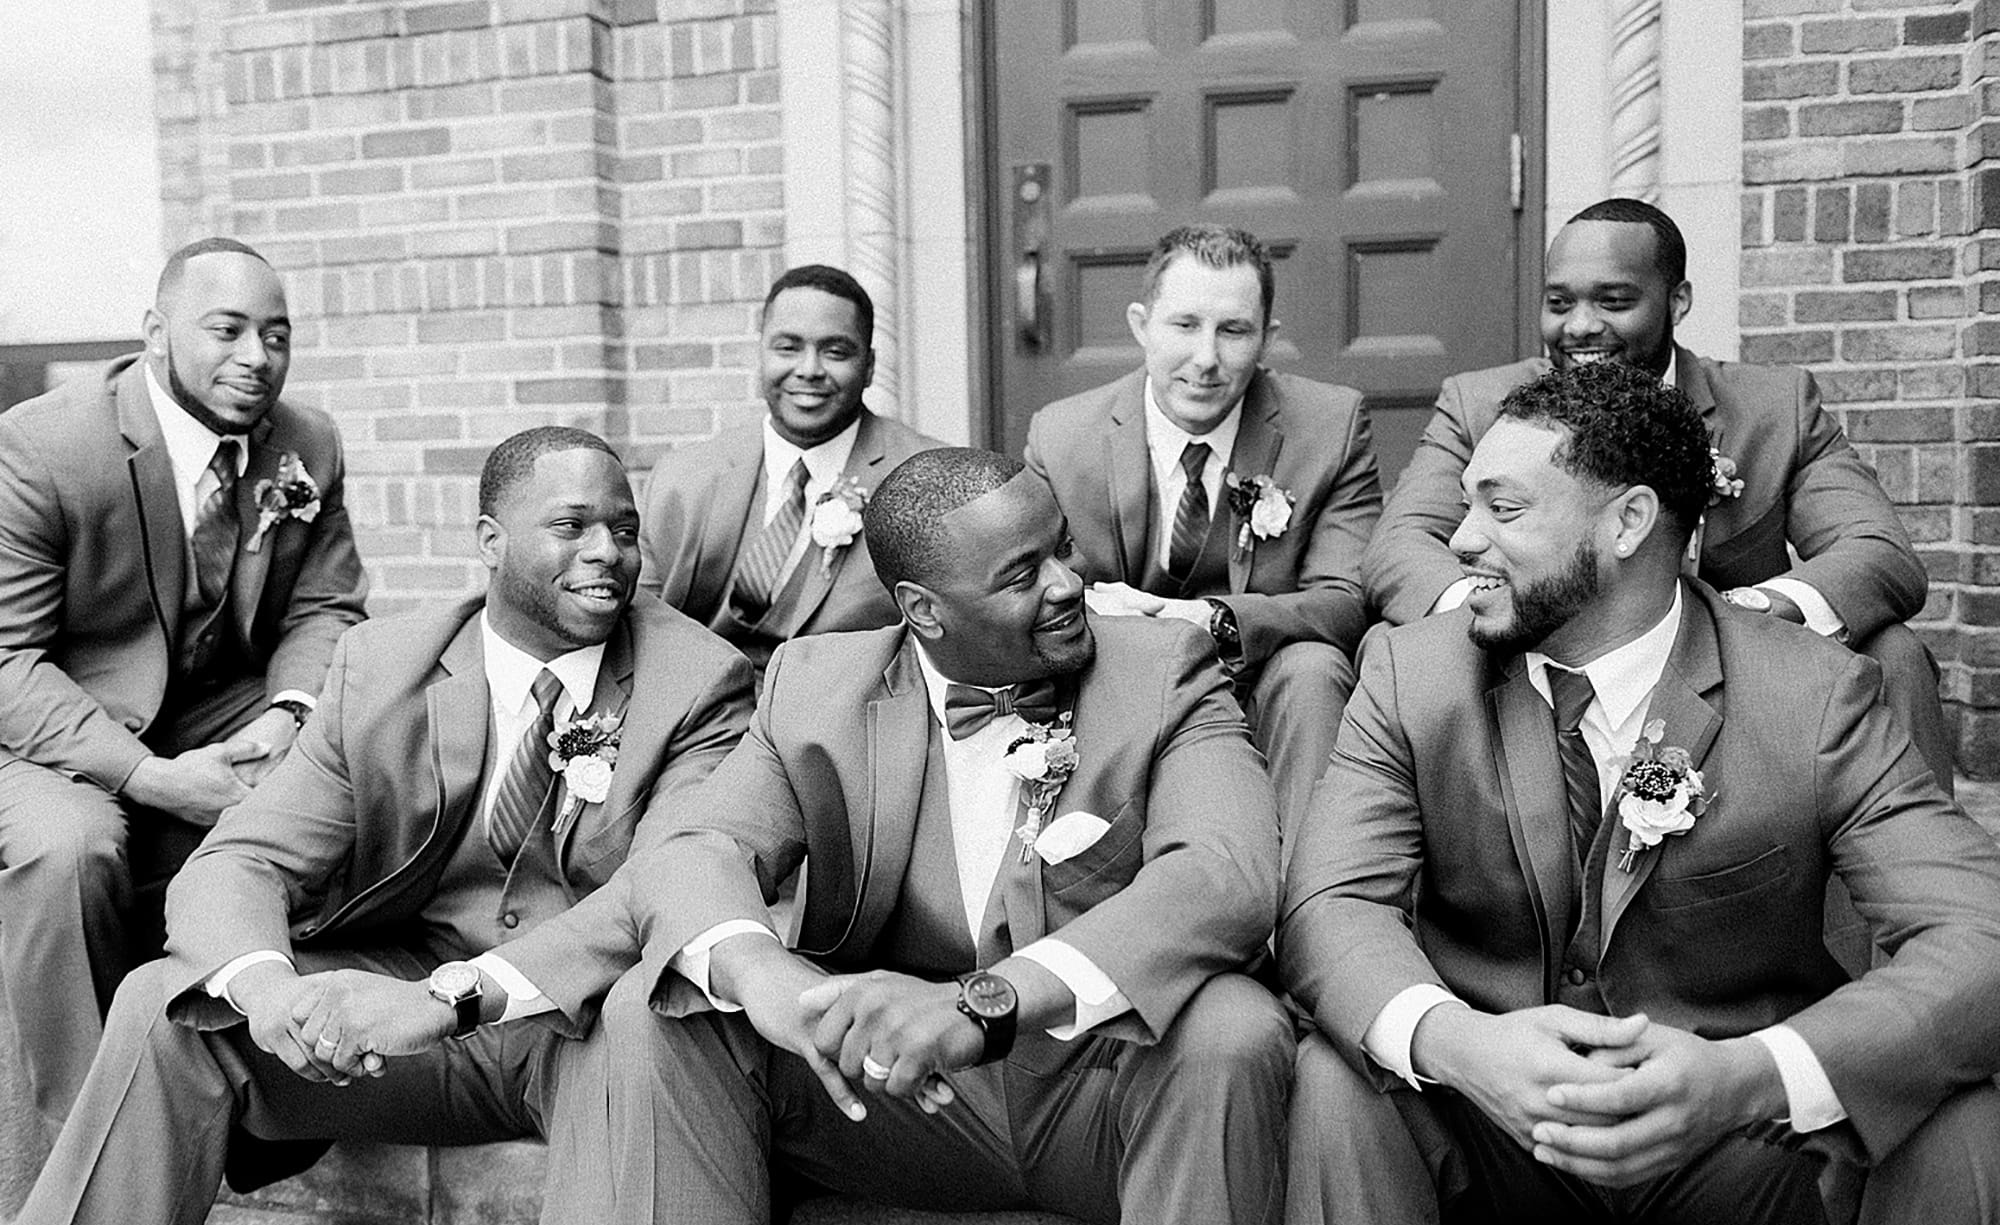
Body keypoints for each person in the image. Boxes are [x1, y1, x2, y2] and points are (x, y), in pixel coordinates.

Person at [432, 447, 1292, 1225]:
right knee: (665, 1010)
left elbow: (1225, 876)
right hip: (899, 1100)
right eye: (1024, 573)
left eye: (1064, 550)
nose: (1069, 585)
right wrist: (768, 977)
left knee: (1231, 1029)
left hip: (1101, 1094)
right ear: (922, 609)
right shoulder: (817, 686)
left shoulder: (1163, 669)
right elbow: (695, 853)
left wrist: (979, 1005)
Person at [1280, 363, 2000, 1225]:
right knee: (1340, 1080)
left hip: (1735, 1147)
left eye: (1503, 509)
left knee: (1965, 1120)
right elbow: (1328, 905)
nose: (1460, 542)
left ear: (1626, 524)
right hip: (1489, 1131)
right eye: (1466, 507)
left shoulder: (1815, 694)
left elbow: (1979, 935)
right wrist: (1459, 1044)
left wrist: (1747, 1078)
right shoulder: (1410, 674)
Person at [0, 427, 754, 1225]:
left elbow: (656, 895)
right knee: (168, 1008)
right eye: (572, 526)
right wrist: (271, 992)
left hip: (587, 1026)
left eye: (624, 530)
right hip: (413, 1022)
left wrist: (447, 999)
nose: (607, 554)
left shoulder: (701, 683)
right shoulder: (383, 666)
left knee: (648, 1028)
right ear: (488, 541)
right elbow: (242, 858)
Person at [0, 237, 366, 1208]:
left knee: (343, 775)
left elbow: (324, 609)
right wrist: (152, 777)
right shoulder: (46, 444)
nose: (257, 355)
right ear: (156, 333)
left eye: (276, 334)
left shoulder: (309, 444)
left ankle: (271, 1098)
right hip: (53, 728)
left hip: (220, 708)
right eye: (229, 329)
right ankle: (89, 1163)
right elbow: (5, 659)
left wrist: (291, 717)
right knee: (70, 850)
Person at [1363, 198, 1951, 792]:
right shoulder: (1479, 404)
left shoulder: (1775, 408)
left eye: (1613, 302)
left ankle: (1903, 861)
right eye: (1559, 302)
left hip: (1729, 675)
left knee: (1894, 653)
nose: (1579, 326)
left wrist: (1749, 614)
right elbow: (1400, 547)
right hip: (1542, 663)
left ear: (1678, 301)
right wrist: (1506, 606)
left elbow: (1879, 553)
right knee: (1388, 647)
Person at [1025, 224, 1381, 835]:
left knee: (1315, 670)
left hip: (1262, 678)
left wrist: (1213, 618)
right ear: (1142, 325)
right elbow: (1040, 597)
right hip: (1119, 682)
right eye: (1184, 326)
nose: (1207, 359)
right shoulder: (1062, 436)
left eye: (1234, 330)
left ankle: (1305, 900)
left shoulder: (1330, 425)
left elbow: (1346, 602)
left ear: (1267, 337)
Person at [640, 263, 944, 678]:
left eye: (835, 351)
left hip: (854, 721)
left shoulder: (926, 479)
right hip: (703, 721)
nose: (809, 369)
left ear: (869, 367)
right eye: (788, 348)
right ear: (760, 354)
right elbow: (639, 631)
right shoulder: (682, 478)